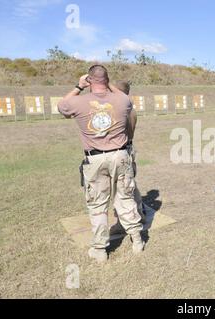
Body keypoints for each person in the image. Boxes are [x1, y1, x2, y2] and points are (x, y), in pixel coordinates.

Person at [58, 65, 144, 263]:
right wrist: (107, 82)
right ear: (107, 80)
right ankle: (137, 240)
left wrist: (79, 86)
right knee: (125, 198)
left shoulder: (78, 101)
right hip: (121, 155)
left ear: (89, 80)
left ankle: (99, 249)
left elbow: (62, 105)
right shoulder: (122, 100)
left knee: (98, 205)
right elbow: (122, 95)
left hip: (95, 158)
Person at [109, 80, 146, 236]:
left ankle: (122, 223)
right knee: (130, 185)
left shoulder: (121, 109)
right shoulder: (130, 108)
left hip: (120, 151)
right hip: (128, 149)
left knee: (121, 190)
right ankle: (140, 213)